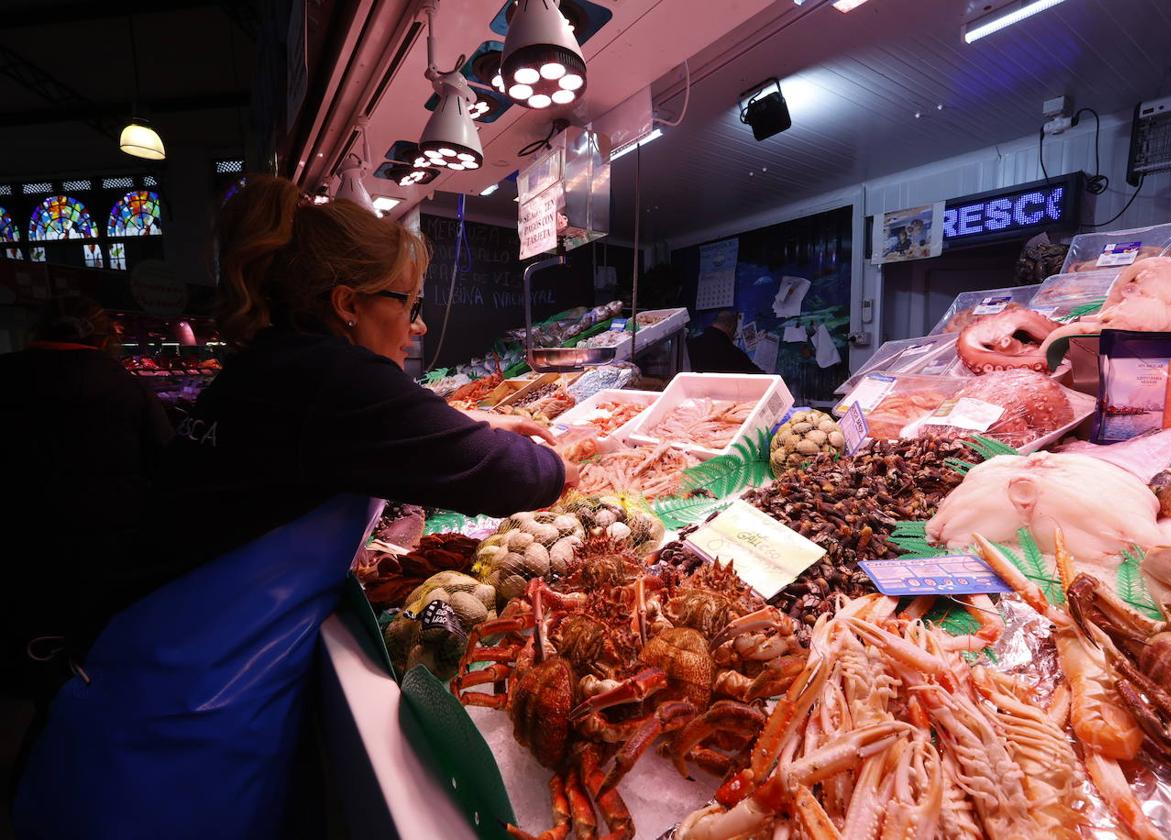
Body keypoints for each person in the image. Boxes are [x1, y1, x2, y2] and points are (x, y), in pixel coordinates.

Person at [12, 176, 576, 837]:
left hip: (145, 675)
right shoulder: (333, 379)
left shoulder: (273, 369)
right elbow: (521, 478)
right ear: (347, 304)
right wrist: (566, 458)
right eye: (408, 303)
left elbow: (343, 448)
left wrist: (466, 427)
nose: (417, 325)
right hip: (186, 716)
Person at [0, 295, 173, 705]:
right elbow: (166, 463)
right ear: (102, 336)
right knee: (88, 653)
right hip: (104, 544)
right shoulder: (124, 386)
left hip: (14, 539)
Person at [687, 309, 763, 373]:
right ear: (731, 327)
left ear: (714, 323)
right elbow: (760, 377)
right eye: (735, 330)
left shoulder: (689, 346)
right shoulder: (734, 354)